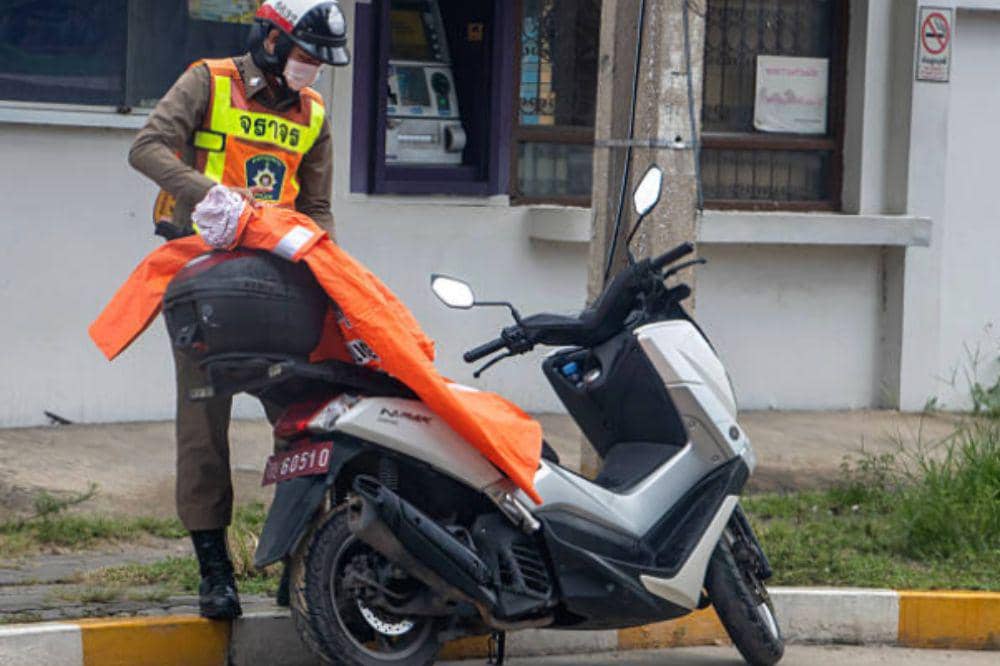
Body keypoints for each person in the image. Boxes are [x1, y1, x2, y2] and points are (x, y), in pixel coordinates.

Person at [127, 0, 350, 619]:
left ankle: (300, 563)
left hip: (277, 286)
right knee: (203, 425)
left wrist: (326, 266)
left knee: (305, 420)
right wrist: (211, 196)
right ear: (272, 41)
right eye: (305, 55)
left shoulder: (314, 113)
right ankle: (214, 571)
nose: (312, 69)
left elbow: (317, 206)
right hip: (203, 281)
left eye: (320, 61)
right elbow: (146, 147)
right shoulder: (208, 80)